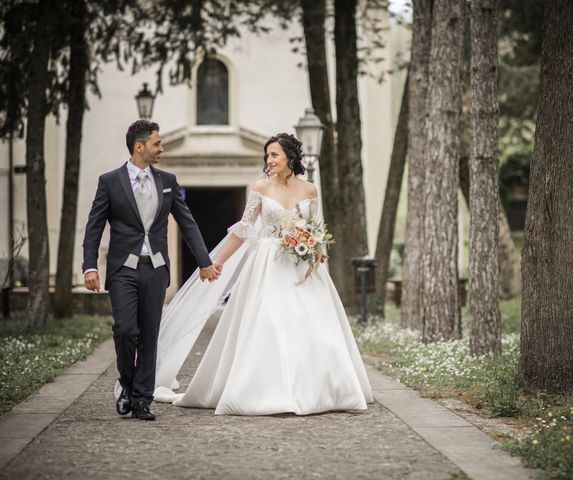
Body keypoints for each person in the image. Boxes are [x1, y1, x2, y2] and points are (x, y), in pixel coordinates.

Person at [156, 132, 373, 415]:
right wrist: (216, 261)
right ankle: (266, 389)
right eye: (267, 155)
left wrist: (314, 251)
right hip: (268, 265)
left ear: (290, 157)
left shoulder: (310, 190)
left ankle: (319, 389)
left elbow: (316, 230)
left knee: (312, 326)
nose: (269, 160)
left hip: (301, 266)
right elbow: (244, 230)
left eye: (274, 155)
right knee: (270, 322)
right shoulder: (260, 188)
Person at [82, 120, 219, 421]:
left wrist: (205, 262)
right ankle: (127, 386)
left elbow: (188, 223)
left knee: (149, 336)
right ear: (139, 146)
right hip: (122, 269)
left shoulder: (168, 180)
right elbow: (94, 227)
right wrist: (90, 266)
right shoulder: (110, 181)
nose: (162, 148)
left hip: (155, 269)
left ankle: (142, 398)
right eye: (157, 143)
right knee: (125, 330)